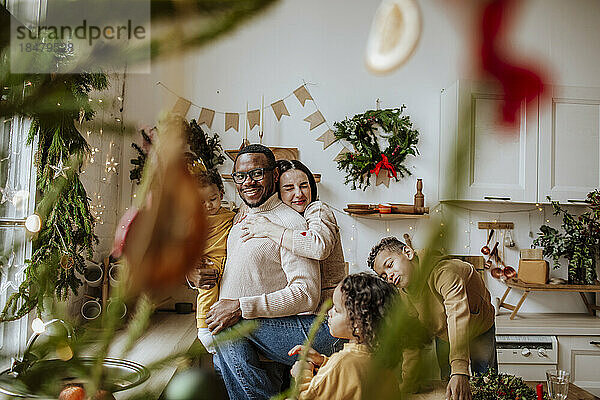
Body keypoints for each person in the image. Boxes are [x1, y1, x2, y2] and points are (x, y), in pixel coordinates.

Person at [197, 144, 338, 400]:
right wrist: (194, 277)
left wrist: (240, 307)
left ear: (274, 175)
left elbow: (307, 294)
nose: (248, 182)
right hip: (236, 349)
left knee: (229, 327)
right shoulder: (238, 216)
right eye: (240, 176)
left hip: (268, 345)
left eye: (257, 173)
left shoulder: (291, 222)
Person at [368, 236, 497, 400]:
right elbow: (412, 339)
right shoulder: (403, 292)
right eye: (384, 275)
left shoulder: (444, 272)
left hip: (479, 328)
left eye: (390, 265)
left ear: (407, 252)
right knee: (450, 387)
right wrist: (409, 383)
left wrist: (459, 369)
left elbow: (457, 315)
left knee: (487, 386)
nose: (389, 276)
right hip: (444, 334)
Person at [239, 159, 346, 308]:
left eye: (304, 186)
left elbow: (319, 246)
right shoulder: (281, 216)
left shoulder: (317, 209)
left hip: (328, 309)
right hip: (302, 308)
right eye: (289, 188)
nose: (298, 193)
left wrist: (268, 228)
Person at [287, 273, 400, 400]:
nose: (329, 312)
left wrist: (302, 373)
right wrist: (322, 361)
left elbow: (309, 396)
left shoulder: (343, 362)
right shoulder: (377, 360)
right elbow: (347, 380)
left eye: (337, 309)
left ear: (357, 324)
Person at [187, 167, 235, 353]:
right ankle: (203, 329)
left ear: (221, 194)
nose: (208, 205)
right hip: (208, 264)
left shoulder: (231, 216)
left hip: (227, 264)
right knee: (208, 292)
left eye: (213, 199)